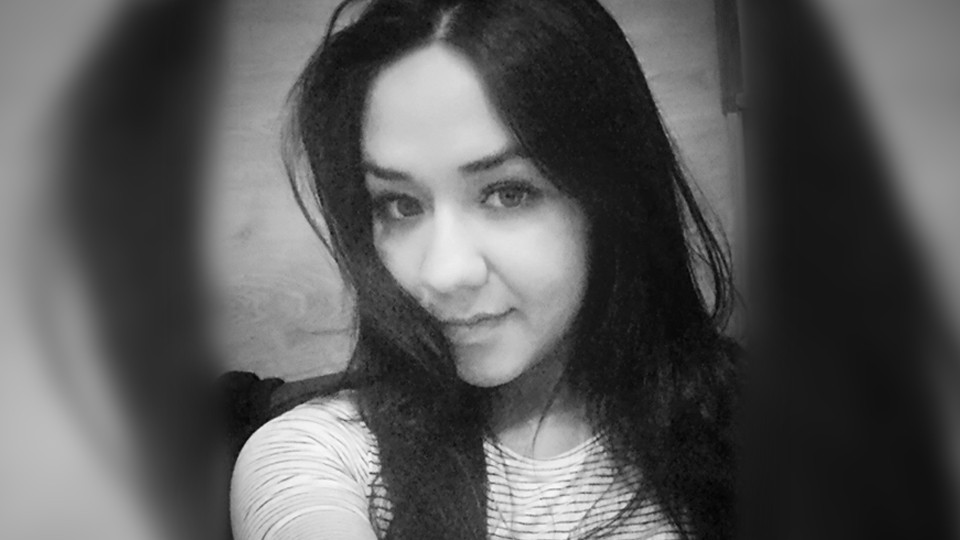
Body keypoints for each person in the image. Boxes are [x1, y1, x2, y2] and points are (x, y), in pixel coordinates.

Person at [231, 0, 740, 538]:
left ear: (612, 198)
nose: (443, 273)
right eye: (401, 205)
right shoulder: (321, 455)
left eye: (508, 193)